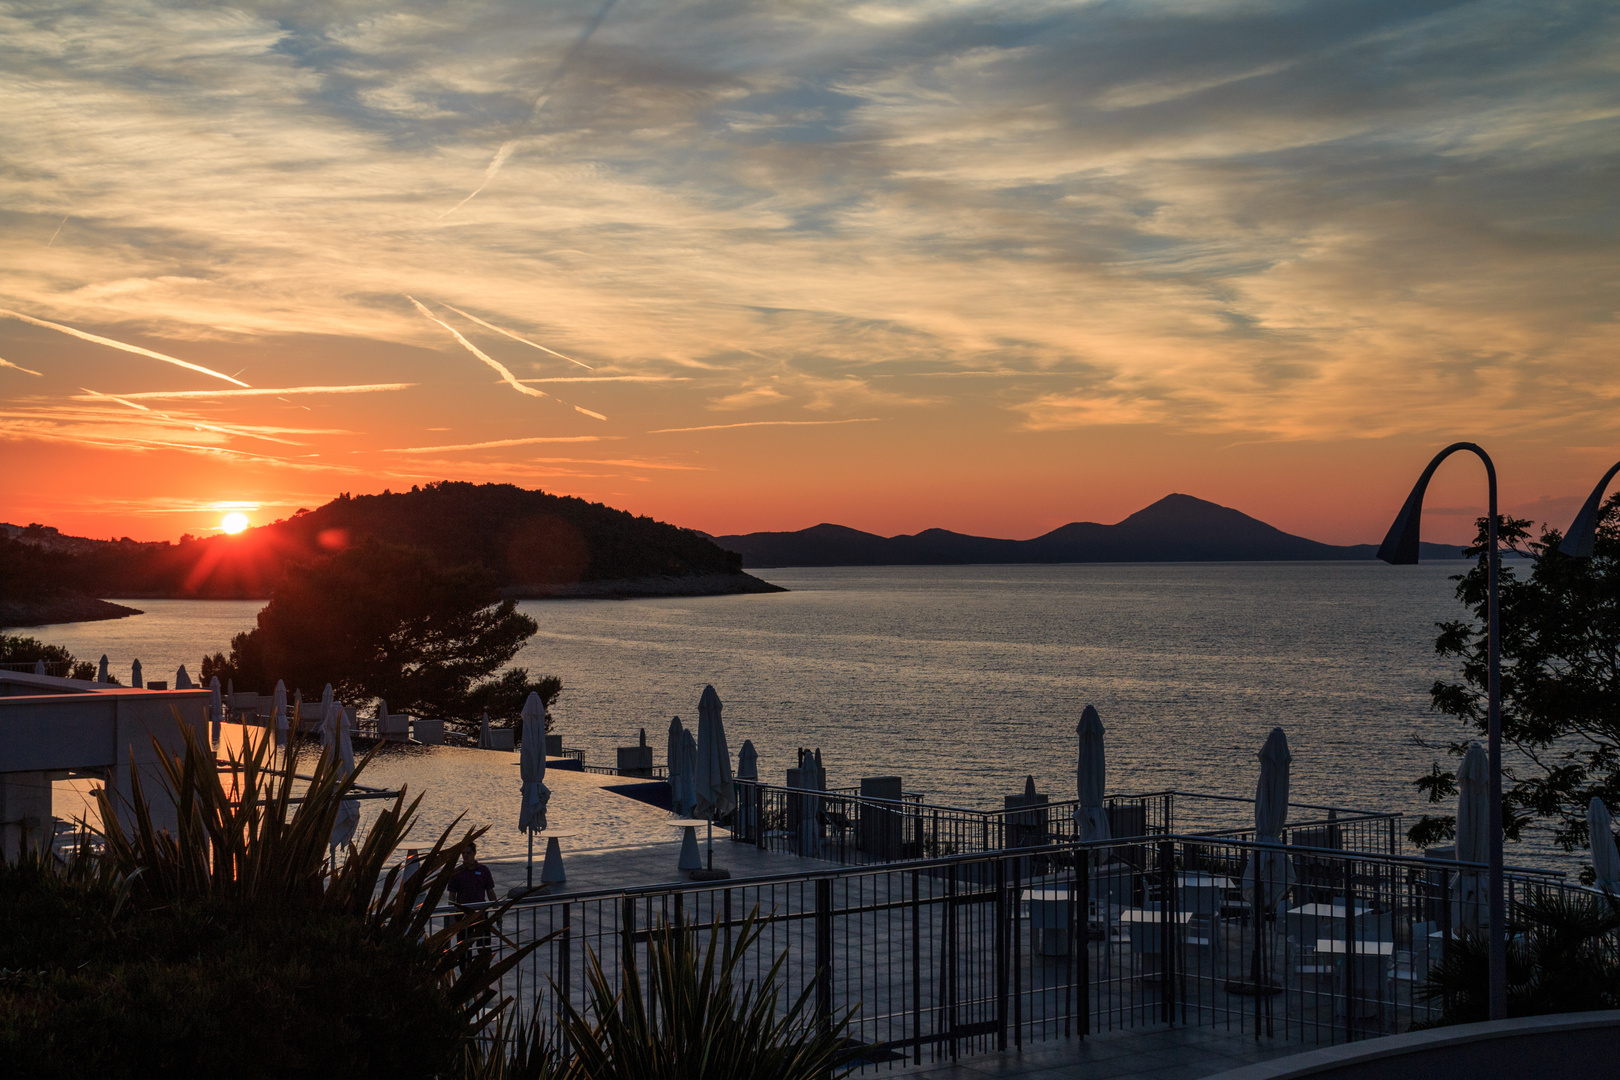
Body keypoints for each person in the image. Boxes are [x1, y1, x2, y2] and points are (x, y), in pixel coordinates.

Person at [448, 843, 496, 967]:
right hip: (463, 915)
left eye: (468, 853)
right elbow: (452, 895)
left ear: (474, 853)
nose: (465, 856)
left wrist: (497, 911)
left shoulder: (483, 870)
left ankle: (483, 972)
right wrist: (452, 915)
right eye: (463, 853)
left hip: (480, 914)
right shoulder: (457, 873)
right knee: (463, 948)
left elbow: (490, 891)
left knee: (484, 946)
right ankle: (465, 974)